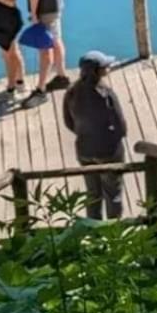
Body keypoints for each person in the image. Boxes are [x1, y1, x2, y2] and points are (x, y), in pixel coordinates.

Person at [62, 51, 128, 220]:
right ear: (96, 71)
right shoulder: (106, 93)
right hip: (108, 151)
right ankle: (114, 231)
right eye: (105, 66)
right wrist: (114, 138)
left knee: (92, 194)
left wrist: (84, 133)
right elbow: (121, 126)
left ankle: (94, 231)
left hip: (84, 150)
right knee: (113, 193)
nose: (108, 67)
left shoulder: (71, 92)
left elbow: (69, 122)